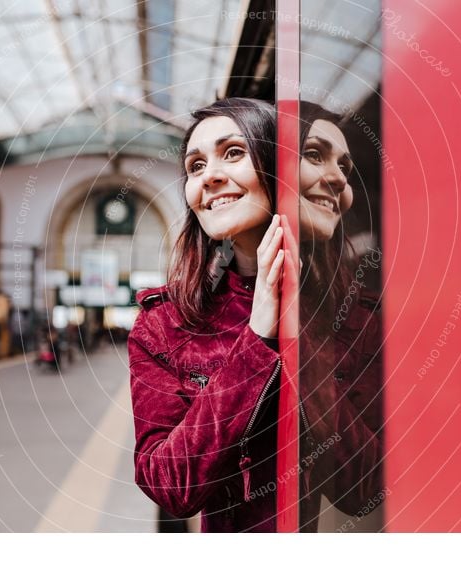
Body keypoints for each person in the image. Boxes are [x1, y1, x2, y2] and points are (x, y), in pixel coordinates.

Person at [129, 97, 285, 532]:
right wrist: (257, 337)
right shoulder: (163, 325)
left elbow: (364, 485)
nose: (209, 176)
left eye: (233, 153)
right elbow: (168, 486)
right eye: (195, 166)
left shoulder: (350, 306)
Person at [296, 101, 384, 531]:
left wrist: (300, 343)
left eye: (345, 166)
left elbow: (363, 487)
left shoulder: (360, 315)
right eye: (314, 154)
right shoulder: (178, 318)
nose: (337, 178)